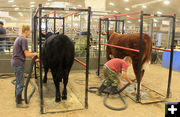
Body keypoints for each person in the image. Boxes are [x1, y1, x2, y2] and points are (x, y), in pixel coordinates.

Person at [11, 25, 39, 108]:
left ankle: (17, 98)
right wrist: (36, 54)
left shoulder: (19, 38)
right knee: (20, 82)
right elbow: (27, 54)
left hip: (15, 62)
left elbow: (24, 53)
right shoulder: (23, 40)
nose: (30, 33)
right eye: (29, 31)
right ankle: (19, 103)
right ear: (26, 31)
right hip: (18, 64)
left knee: (18, 81)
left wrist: (34, 57)